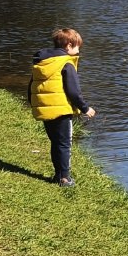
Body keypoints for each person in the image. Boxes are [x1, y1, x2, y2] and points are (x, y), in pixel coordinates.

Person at [28, 27, 96, 187]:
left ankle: (58, 174)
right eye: (78, 46)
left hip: (45, 109)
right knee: (64, 143)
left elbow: (32, 85)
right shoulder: (66, 63)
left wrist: (34, 104)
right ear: (69, 45)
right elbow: (73, 91)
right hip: (61, 110)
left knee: (55, 142)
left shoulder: (42, 62)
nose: (79, 51)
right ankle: (65, 178)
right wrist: (85, 108)